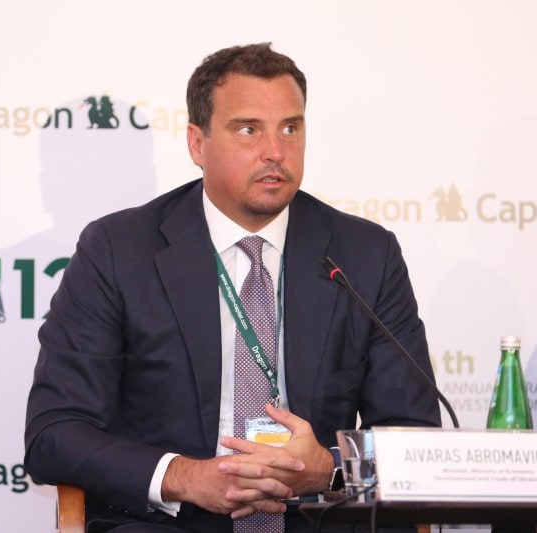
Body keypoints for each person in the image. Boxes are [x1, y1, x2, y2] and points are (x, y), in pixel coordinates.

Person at [24, 42, 441, 532]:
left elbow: (414, 440)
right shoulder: (118, 251)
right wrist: (187, 477)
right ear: (197, 144)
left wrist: (328, 470)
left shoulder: (365, 255)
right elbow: (54, 433)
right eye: (248, 129)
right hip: (170, 522)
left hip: (314, 518)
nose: (275, 151)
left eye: (290, 128)